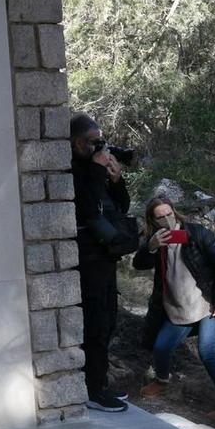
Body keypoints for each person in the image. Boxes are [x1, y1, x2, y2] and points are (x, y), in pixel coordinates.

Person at [133, 197, 215, 419]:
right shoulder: (154, 239)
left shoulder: (197, 233)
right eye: (160, 216)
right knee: (161, 347)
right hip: (176, 308)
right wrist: (151, 247)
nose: (167, 219)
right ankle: (162, 381)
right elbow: (138, 264)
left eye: (169, 213)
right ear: (152, 220)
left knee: (208, 352)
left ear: (175, 211)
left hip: (206, 306)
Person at [70, 113, 133, 411]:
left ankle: (100, 383)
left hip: (106, 258)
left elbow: (120, 206)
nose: (101, 148)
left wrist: (116, 179)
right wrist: (96, 172)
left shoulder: (96, 170)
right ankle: (93, 390)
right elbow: (88, 206)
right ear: (78, 143)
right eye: (95, 143)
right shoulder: (72, 171)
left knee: (108, 322)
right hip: (88, 259)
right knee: (94, 325)